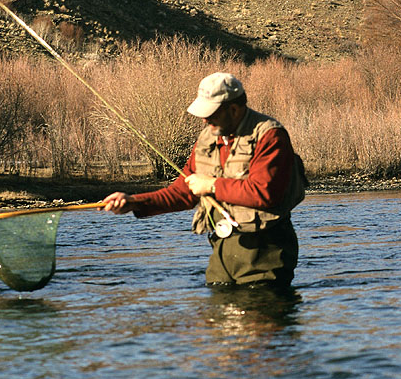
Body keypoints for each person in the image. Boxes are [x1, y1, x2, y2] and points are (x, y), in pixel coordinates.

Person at [101, 72, 306, 289]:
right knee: (215, 317)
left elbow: (264, 193)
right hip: (222, 255)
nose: (205, 120)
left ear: (234, 110)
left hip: (266, 254)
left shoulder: (270, 136)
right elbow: (182, 193)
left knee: (258, 315)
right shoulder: (207, 139)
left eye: (211, 114)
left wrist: (212, 185)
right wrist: (133, 202)